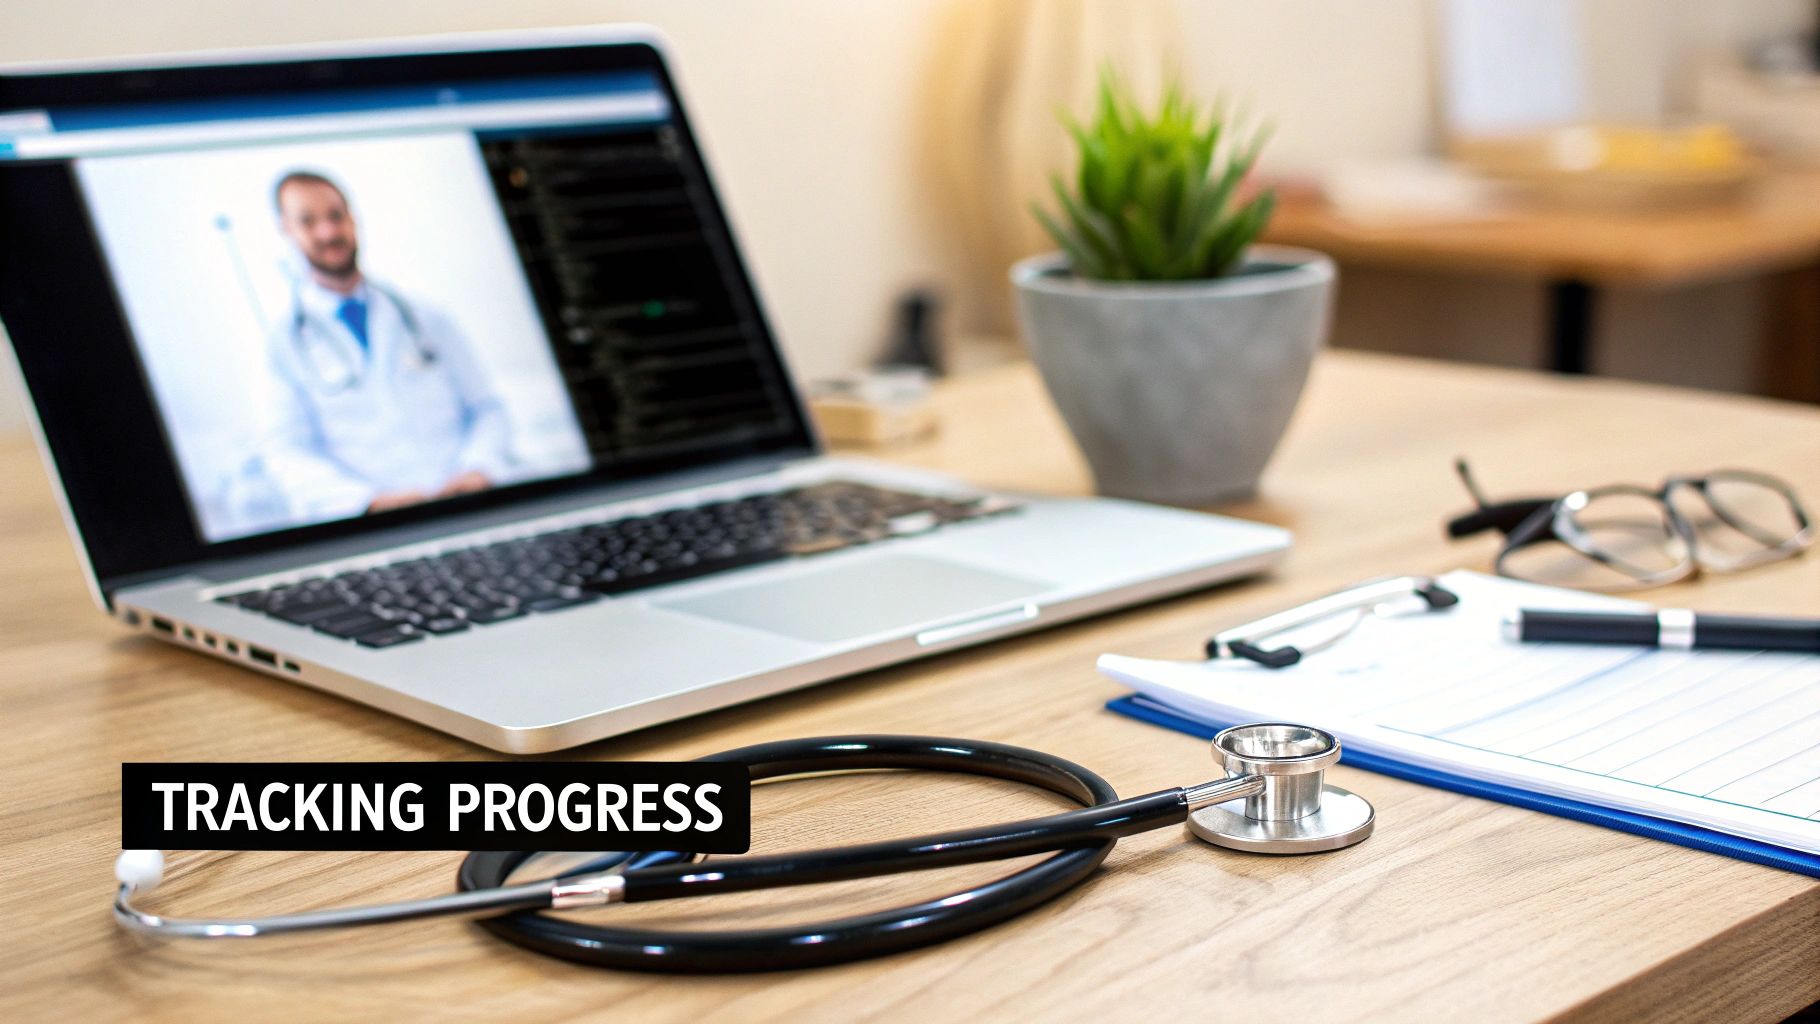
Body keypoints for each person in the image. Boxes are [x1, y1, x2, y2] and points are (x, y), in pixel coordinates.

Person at [260, 169, 515, 519]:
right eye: (308, 221)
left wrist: (477, 469)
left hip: (465, 507)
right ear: (286, 229)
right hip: (372, 524)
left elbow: (488, 409)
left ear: (352, 217)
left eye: (336, 216)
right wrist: (367, 502)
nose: (328, 232)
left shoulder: (425, 316)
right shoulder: (283, 344)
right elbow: (286, 453)